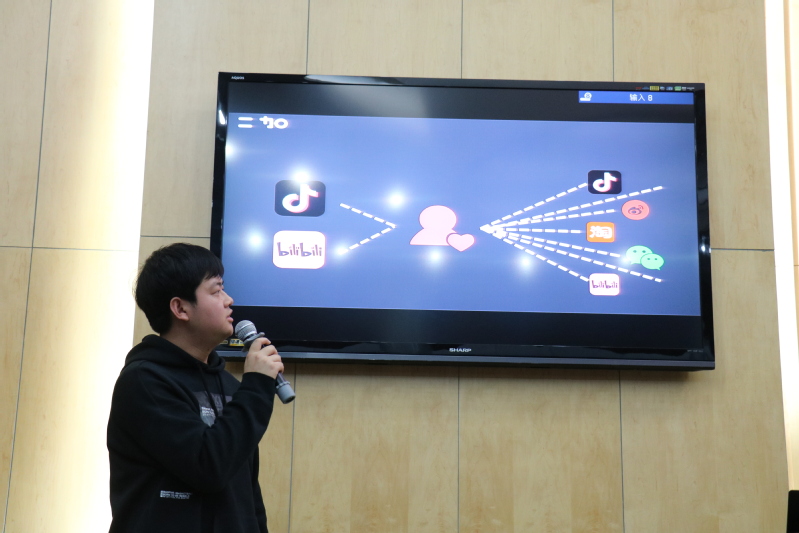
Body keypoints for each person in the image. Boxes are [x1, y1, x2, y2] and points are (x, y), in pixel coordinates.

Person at [107, 243, 283, 533]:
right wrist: (256, 387)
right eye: (216, 291)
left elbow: (248, 495)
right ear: (180, 308)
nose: (229, 300)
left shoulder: (230, 386)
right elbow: (208, 467)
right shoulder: (144, 382)